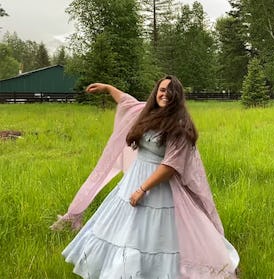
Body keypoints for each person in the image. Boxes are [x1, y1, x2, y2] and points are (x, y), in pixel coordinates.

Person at [51, 76, 239, 278]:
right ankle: (121, 270)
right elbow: (126, 101)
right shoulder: (148, 113)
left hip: (159, 185)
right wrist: (107, 88)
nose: (164, 94)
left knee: (154, 232)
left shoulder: (180, 126)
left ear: (178, 97)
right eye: (161, 89)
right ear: (155, 92)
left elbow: (170, 166)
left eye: (170, 91)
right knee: (127, 228)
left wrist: (143, 189)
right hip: (134, 178)